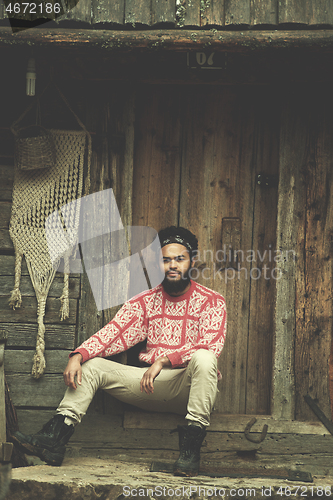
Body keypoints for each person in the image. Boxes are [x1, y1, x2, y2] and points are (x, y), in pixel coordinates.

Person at [12, 226, 227, 477]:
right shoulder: (145, 301)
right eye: (166, 259)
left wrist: (164, 361)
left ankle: (190, 454)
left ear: (192, 261)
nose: (172, 265)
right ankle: (55, 439)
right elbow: (113, 333)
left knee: (205, 357)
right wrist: (78, 355)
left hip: (190, 388)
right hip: (150, 386)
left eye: (179, 259)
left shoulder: (212, 300)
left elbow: (211, 345)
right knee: (92, 366)